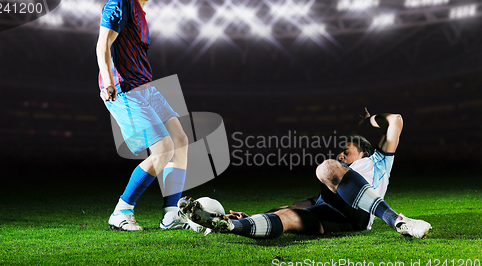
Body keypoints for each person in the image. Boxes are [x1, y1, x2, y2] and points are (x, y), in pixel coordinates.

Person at [179, 109, 433, 238]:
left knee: (326, 167)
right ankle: (231, 225)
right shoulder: (339, 176)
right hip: (332, 210)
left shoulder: (379, 161)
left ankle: (397, 220)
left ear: (364, 152)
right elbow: (292, 207)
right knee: (288, 214)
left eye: (346, 151)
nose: (342, 156)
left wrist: (370, 119)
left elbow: (396, 119)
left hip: (360, 214)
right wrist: (254, 216)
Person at [96, 0, 189, 231]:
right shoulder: (120, 2)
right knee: (164, 149)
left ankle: (171, 214)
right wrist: (108, 83)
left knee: (180, 141)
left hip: (145, 86)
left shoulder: (140, 11)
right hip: (124, 88)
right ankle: (122, 211)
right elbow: (102, 45)